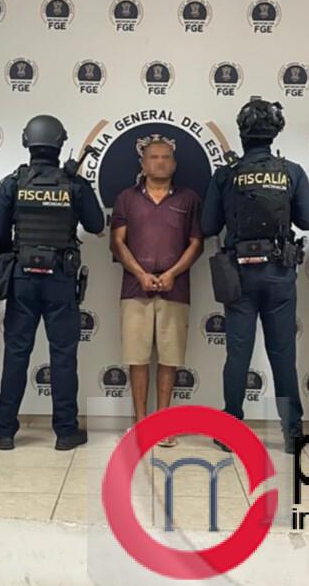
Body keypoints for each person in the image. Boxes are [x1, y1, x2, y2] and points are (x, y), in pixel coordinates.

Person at [201, 97, 309, 454]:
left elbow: (208, 226)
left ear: (242, 133)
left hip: (239, 274)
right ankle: (292, 432)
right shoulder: (291, 171)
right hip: (279, 273)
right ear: (275, 133)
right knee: (282, 352)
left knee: (238, 353)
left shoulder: (226, 175)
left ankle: (230, 429)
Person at [0, 115, 105, 451]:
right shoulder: (74, 184)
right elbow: (96, 224)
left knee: (16, 353)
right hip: (60, 278)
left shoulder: (13, 182)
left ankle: (5, 432)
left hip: (23, 277)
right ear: (59, 143)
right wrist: (77, 186)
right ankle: (66, 432)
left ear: (27, 141)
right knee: (63, 356)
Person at [110, 134, 204, 441]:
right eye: (154, 157)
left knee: (169, 358)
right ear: (143, 163)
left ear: (174, 164)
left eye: (166, 157)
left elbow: (196, 243)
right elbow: (117, 242)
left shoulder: (189, 199)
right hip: (134, 288)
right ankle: (141, 423)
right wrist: (139, 273)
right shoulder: (126, 198)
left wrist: (173, 273)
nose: (160, 162)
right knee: (137, 358)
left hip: (175, 288)